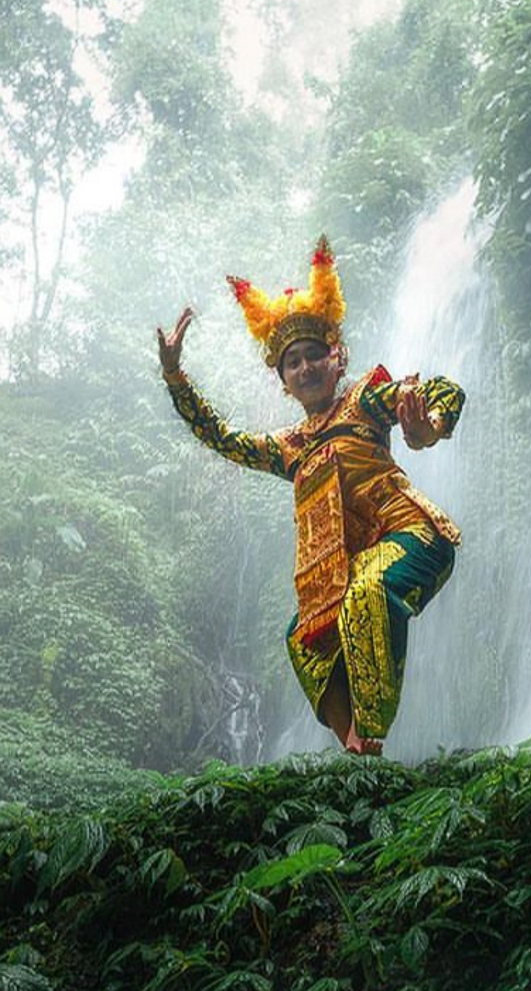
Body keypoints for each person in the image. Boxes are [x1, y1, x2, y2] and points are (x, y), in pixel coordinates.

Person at [157, 236, 464, 756]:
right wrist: (174, 377)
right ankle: (354, 749)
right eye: (292, 363)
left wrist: (427, 428)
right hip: (354, 568)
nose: (304, 368)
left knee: (368, 593)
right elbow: (223, 439)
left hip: (415, 536)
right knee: (303, 636)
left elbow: (442, 391)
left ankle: (369, 746)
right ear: (283, 383)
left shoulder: (366, 399)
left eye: (313, 355)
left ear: (336, 359)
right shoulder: (291, 447)